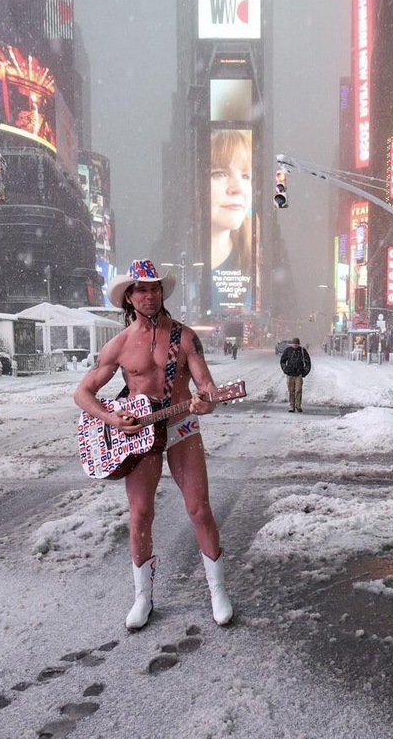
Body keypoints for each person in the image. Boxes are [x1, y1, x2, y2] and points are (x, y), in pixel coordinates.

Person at [74, 259, 232, 630]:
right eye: (141, 289)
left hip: (181, 426)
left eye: (155, 288)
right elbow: (82, 393)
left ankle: (218, 590)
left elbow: (206, 388)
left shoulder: (185, 336)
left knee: (199, 509)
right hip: (140, 434)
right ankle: (142, 597)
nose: (149, 295)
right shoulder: (120, 345)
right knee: (141, 514)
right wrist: (114, 420)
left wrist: (206, 401)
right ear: (129, 297)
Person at [210, 129, 253, 273]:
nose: (238, 188)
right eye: (220, 174)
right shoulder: (169, 257)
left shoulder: (262, 254)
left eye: (246, 176)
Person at [280, 337, 311, 413]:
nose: (295, 345)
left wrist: (304, 372)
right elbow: (282, 361)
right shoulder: (288, 351)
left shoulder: (302, 351)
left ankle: (298, 405)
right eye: (294, 343)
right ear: (292, 344)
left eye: (296, 344)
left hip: (298, 374)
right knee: (291, 390)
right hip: (290, 374)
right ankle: (292, 406)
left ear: (298, 344)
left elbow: (308, 362)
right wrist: (285, 370)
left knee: (298, 390)